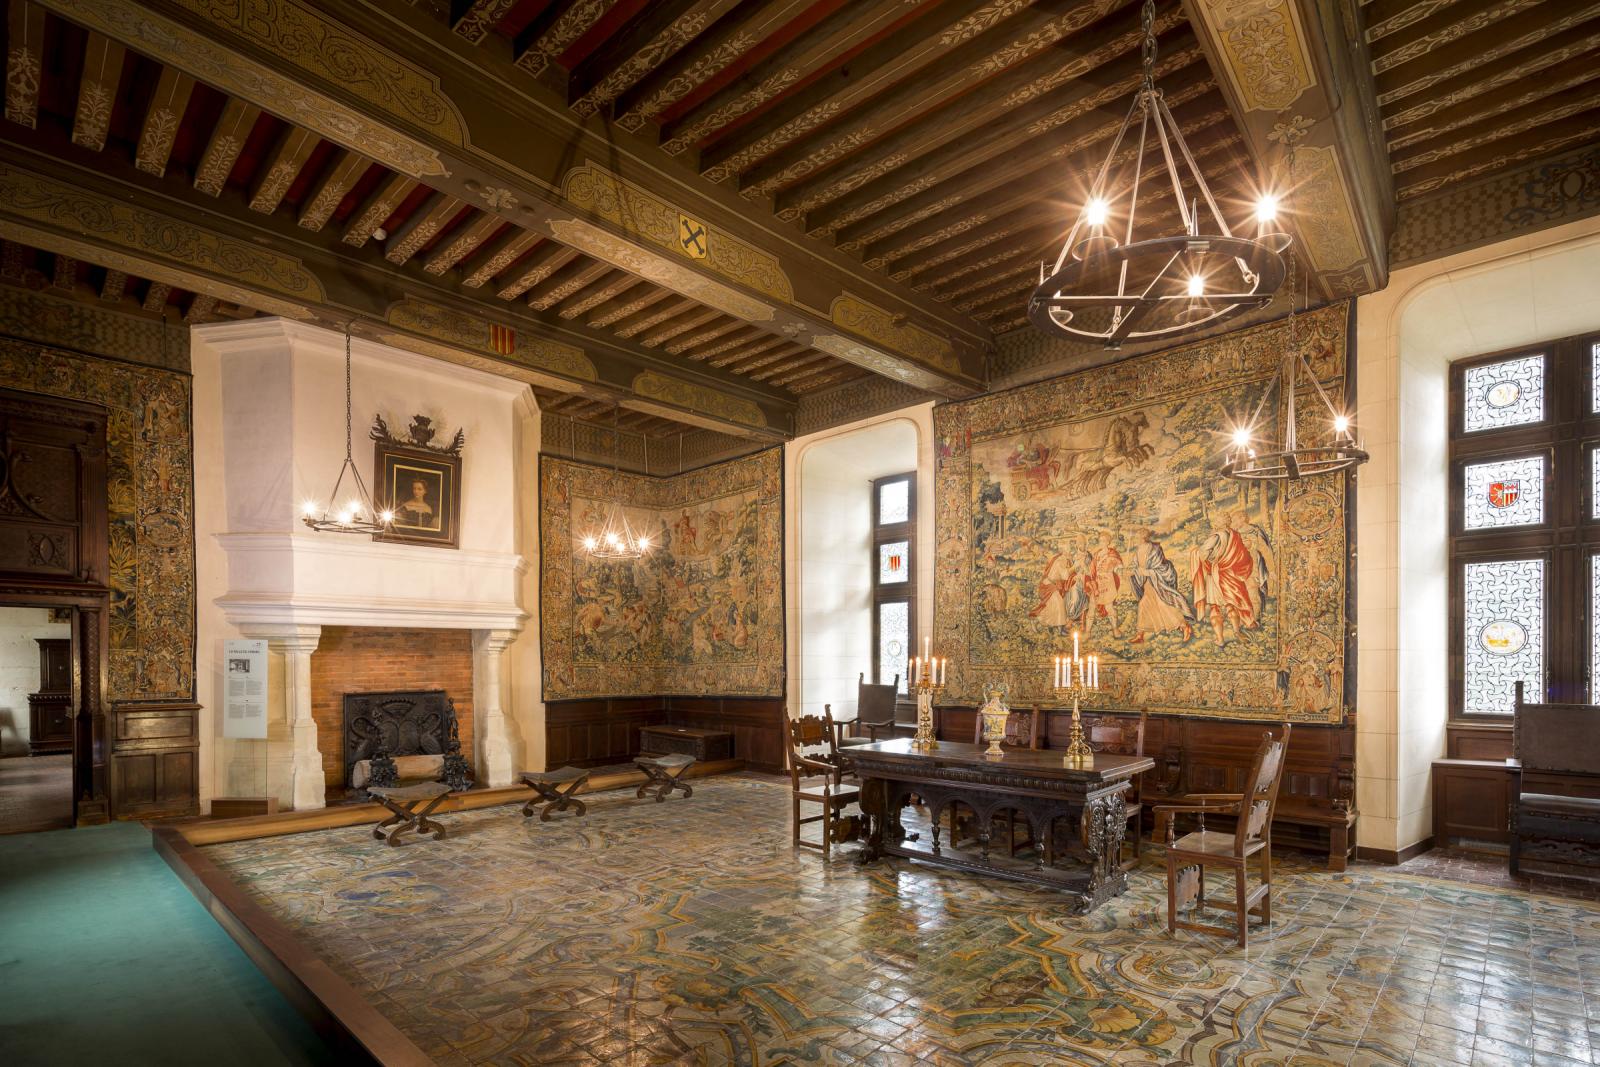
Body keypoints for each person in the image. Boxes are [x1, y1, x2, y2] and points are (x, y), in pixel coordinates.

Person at [1190, 509, 1268, 646]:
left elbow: (1203, 553)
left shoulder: (1216, 536)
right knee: (1231, 605)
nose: (1214, 522)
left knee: (1215, 608)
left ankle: (1220, 640)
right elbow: (1243, 555)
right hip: (1231, 576)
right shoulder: (1235, 535)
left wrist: (1198, 554)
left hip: (1216, 576)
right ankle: (1237, 632)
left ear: (1221, 522)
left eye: (1217, 520)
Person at [1128, 528, 1194, 643]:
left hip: (1158, 584)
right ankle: (1140, 635)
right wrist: (1132, 571)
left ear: (1143, 538)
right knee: (1144, 605)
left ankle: (1185, 627)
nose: (1135, 540)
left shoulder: (1155, 549)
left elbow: (1161, 567)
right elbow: (1135, 565)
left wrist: (1148, 572)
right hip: (1147, 585)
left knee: (1165, 605)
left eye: (1137, 537)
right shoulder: (1138, 550)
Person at [1086, 530, 1123, 636]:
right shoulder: (1097, 554)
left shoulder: (1112, 553)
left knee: (1109, 606)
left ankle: (1115, 629)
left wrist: (1119, 569)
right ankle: (1087, 632)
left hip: (1108, 582)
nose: (1101, 543)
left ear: (1108, 542)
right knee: (1092, 606)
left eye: (1103, 541)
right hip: (1097, 583)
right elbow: (1092, 569)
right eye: (1100, 541)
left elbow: (1118, 566)